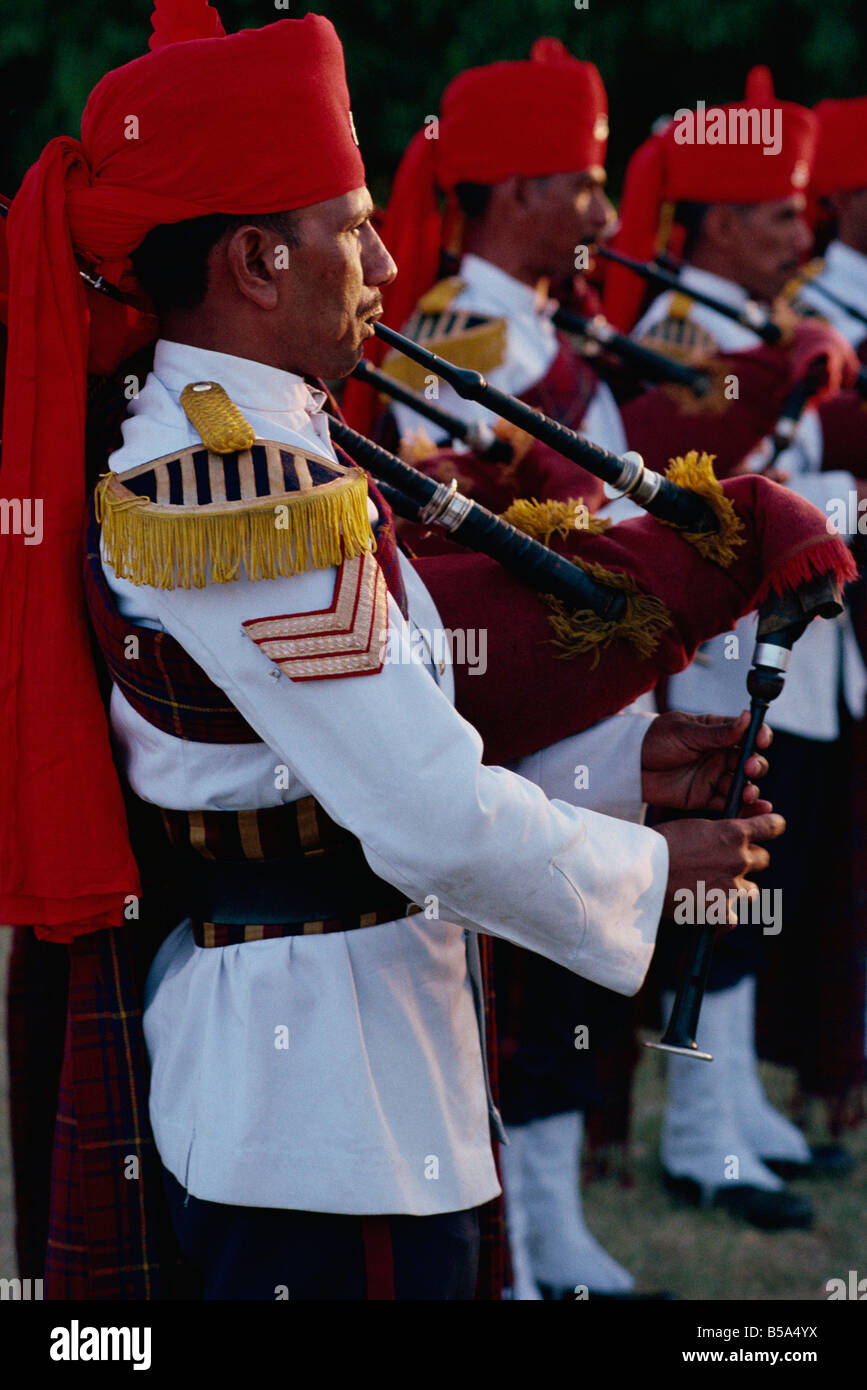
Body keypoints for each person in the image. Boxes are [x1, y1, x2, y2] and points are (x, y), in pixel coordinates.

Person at [0, 3, 812, 1300]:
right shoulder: (238, 489)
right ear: (260, 259)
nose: (386, 255)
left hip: (349, 1081)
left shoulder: (243, 454)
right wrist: (651, 868)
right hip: (321, 1113)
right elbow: (424, 815)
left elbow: (361, 757)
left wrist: (618, 765)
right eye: (355, 224)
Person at [608, 69, 865, 1226]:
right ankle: (700, 1138)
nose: (796, 231)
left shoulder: (753, 327)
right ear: (715, 220)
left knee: (765, 894)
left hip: (795, 662)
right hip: (718, 668)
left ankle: (737, 1119)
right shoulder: (680, 339)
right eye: (774, 213)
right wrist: (847, 498)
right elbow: (715, 503)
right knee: (719, 906)